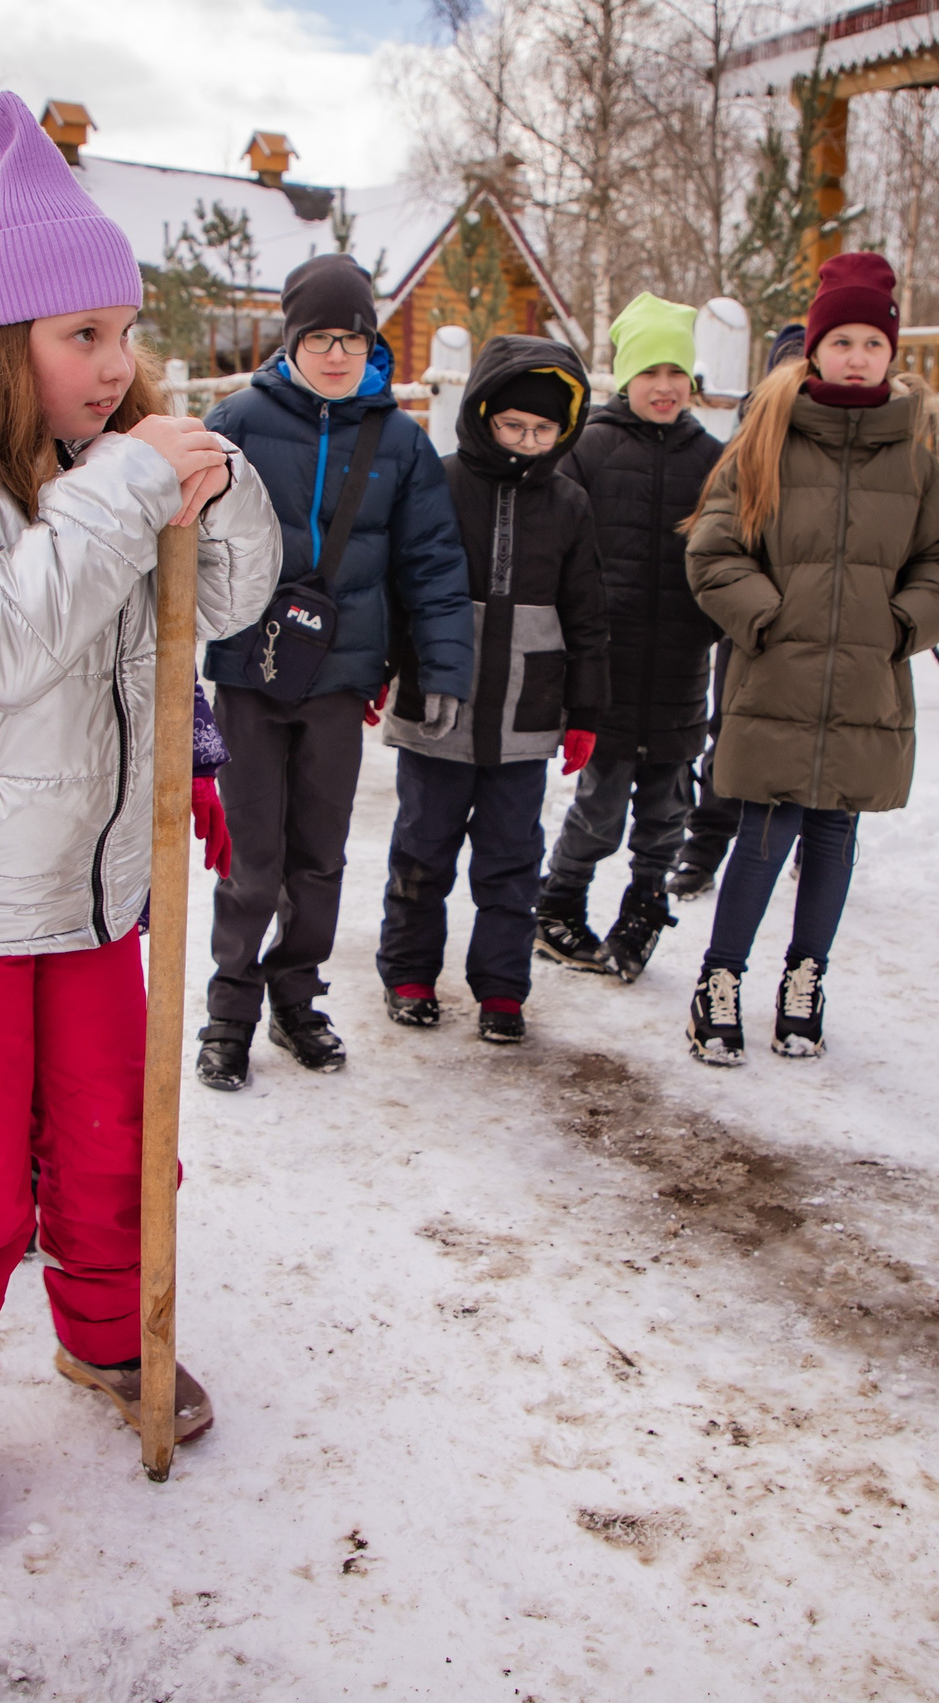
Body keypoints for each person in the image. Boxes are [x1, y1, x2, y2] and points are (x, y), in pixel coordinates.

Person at [0, 92, 280, 1541]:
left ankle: (105, 1328)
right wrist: (130, 488)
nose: (116, 363)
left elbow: (234, 598)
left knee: (110, 1139)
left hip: (85, 892)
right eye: (82, 335)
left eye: (123, 332)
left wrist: (219, 481)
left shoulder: (103, 471)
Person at [680, 256, 939, 1066]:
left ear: (891, 355)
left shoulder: (913, 455)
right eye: (840, 340)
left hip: (862, 683)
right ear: (813, 351)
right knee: (766, 832)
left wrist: (902, 623)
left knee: (836, 834)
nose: (856, 356)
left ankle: (805, 979)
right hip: (776, 674)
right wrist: (768, 617)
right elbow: (713, 549)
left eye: (871, 343)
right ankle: (720, 979)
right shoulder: (770, 437)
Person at [195, 255, 474, 1089]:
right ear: (291, 342)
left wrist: (438, 669)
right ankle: (229, 1011)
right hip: (250, 669)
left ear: (370, 344)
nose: (336, 354)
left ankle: (296, 997)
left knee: (318, 854)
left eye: (351, 338)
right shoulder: (236, 420)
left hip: (342, 677)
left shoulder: (400, 442)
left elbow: (432, 563)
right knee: (251, 853)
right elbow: (188, 542)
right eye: (319, 337)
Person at [376, 335, 607, 1042]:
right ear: (482, 414)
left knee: (512, 857)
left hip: (525, 712)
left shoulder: (569, 503)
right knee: (423, 844)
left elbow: (590, 613)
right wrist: (378, 671)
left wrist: (586, 709)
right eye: (514, 425)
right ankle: (410, 971)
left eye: (543, 430)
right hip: (436, 704)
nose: (528, 441)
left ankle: (502, 989)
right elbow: (399, 585)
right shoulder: (440, 482)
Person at [533, 293, 724, 981]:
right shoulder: (588, 449)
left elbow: (732, 554)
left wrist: (711, 622)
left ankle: (644, 908)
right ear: (626, 377)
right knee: (601, 805)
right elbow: (560, 553)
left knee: (667, 807)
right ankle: (558, 904)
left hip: (679, 667)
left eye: (677, 370)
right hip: (608, 669)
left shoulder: (716, 459)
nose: (665, 385)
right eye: (651, 371)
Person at [669, 320, 803, 900]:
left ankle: (806, 843)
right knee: (730, 731)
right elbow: (721, 533)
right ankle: (706, 841)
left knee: (817, 743)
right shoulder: (752, 436)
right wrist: (756, 608)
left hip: (827, 626)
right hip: (754, 618)